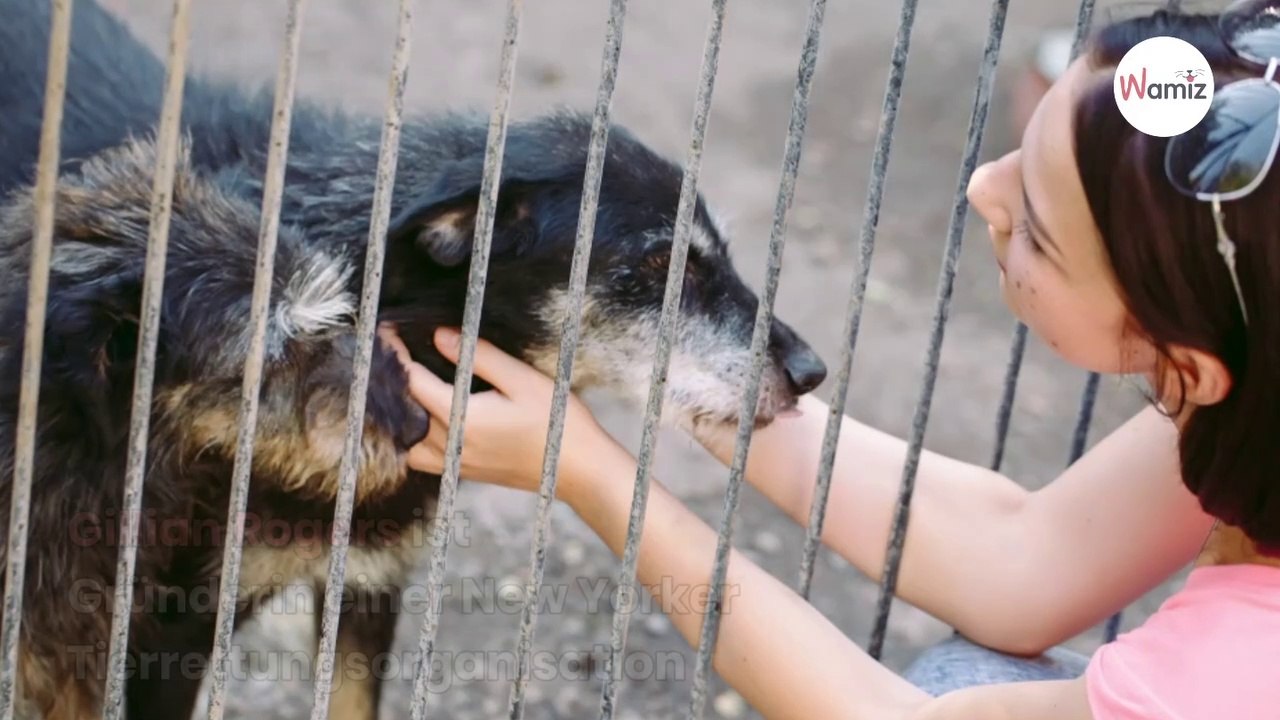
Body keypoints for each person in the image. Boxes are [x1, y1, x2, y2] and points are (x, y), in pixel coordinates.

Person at [379, 3, 1280, 717]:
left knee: (954, 683)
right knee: (974, 662)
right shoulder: (1260, 376)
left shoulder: (1233, 674)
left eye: (1036, 230)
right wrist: (708, 381)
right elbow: (1024, 559)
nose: (979, 190)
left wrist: (589, 476)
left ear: (1188, 366)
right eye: (1019, 147)